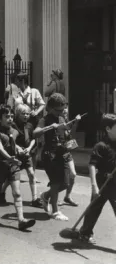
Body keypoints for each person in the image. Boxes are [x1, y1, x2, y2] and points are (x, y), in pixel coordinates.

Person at [0, 104, 36, 230]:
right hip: (1, 165)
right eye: (6, 116)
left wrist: (20, 150)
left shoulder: (13, 131)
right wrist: (9, 158)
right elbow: (0, 148)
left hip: (13, 166)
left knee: (17, 193)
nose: (10, 119)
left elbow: (13, 144)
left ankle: (21, 220)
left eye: (11, 116)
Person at [33, 93, 75, 221]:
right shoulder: (44, 120)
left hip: (61, 154)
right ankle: (55, 211)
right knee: (56, 183)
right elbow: (35, 133)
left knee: (65, 183)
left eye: (62, 110)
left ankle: (45, 196)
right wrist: (50, 127)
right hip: (50, 156)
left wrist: (70, 144)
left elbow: (67, 136)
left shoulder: (62, 119)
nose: (61, 112)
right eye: (58, 110)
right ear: (50, 108)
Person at [78, 113, 116, 244]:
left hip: (115, 183)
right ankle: (85, 233)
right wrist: (94, 186)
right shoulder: (101, 146)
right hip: (103, 183)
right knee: (94, 209)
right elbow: (92, 165)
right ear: (108, 129)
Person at [0, 104, 43, 208]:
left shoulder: (30, 125)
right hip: (16, 154)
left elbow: (33, 139)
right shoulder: (12, 126)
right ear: (18, 114)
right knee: (12, 178)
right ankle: (2, 192)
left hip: (27, 153)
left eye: (27, 113)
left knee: (31, 174)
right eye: (23, 114)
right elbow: (10, 140)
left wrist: (29, 149)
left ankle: (34, 198)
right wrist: (18, 148)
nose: (26, 116)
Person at [60, 104, 81, 206]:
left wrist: (76, 123)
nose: (65, 113)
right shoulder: (57, 122)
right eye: (63, 111)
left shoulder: (67, 122)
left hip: (67, 153)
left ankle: (67, 197)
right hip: (58, 154)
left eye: (66, 111)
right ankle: (49, 196)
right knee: (59, 180)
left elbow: (71, 136)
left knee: (73, 174)